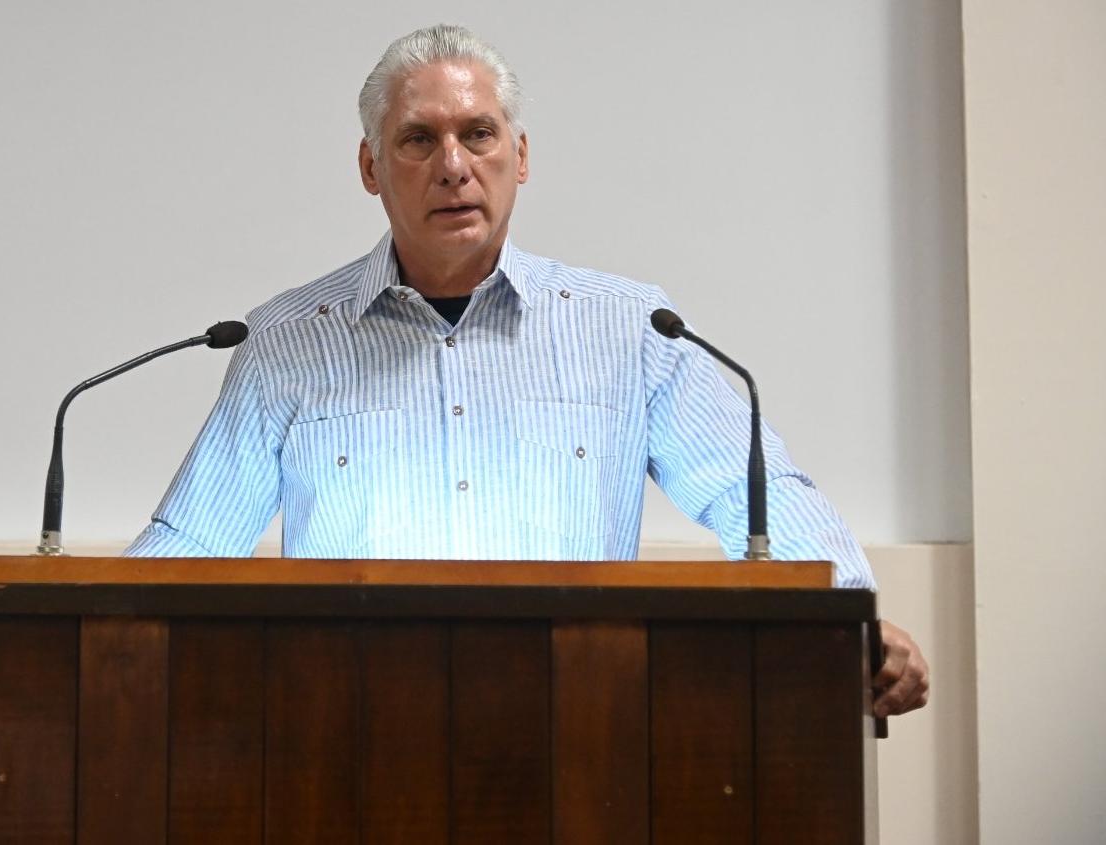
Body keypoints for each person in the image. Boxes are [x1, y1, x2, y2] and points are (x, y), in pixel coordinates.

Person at [124, 24, 928, 719]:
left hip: (584, 726)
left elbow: (752, 495)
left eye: (477, 134)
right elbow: (190, 543)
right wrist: (104, 635)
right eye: (416, 139)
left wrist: (848, 619)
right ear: (370, 166)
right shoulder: (288, 342)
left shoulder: (631, 328)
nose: (452, 165)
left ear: (519, 154)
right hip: (349, 730)